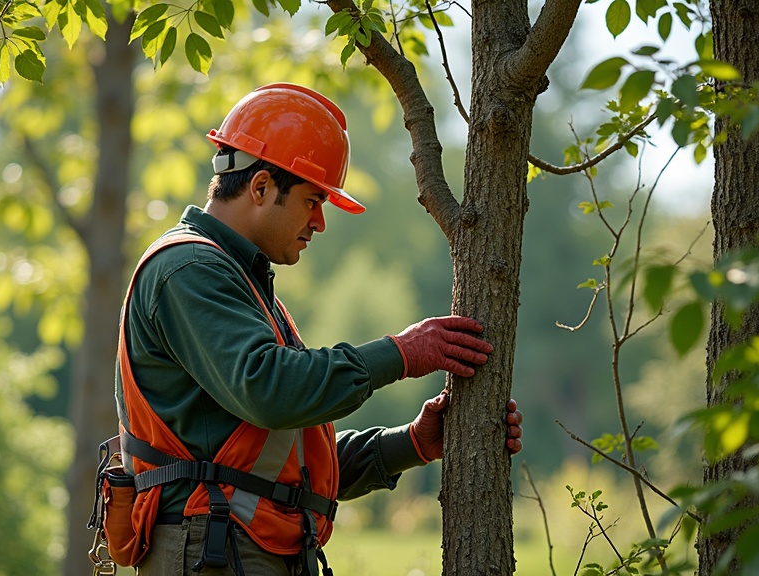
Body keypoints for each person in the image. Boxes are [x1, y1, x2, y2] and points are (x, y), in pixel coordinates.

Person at [113, 83, 523, 576]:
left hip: (231, 549)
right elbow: (271, 391)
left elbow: (280, 469)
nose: (320, 223)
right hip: (213, 552)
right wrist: (402, 353)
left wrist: (412, 443)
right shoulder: (189, 270)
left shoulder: (242, 286)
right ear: (261, 187)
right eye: (312, 200)